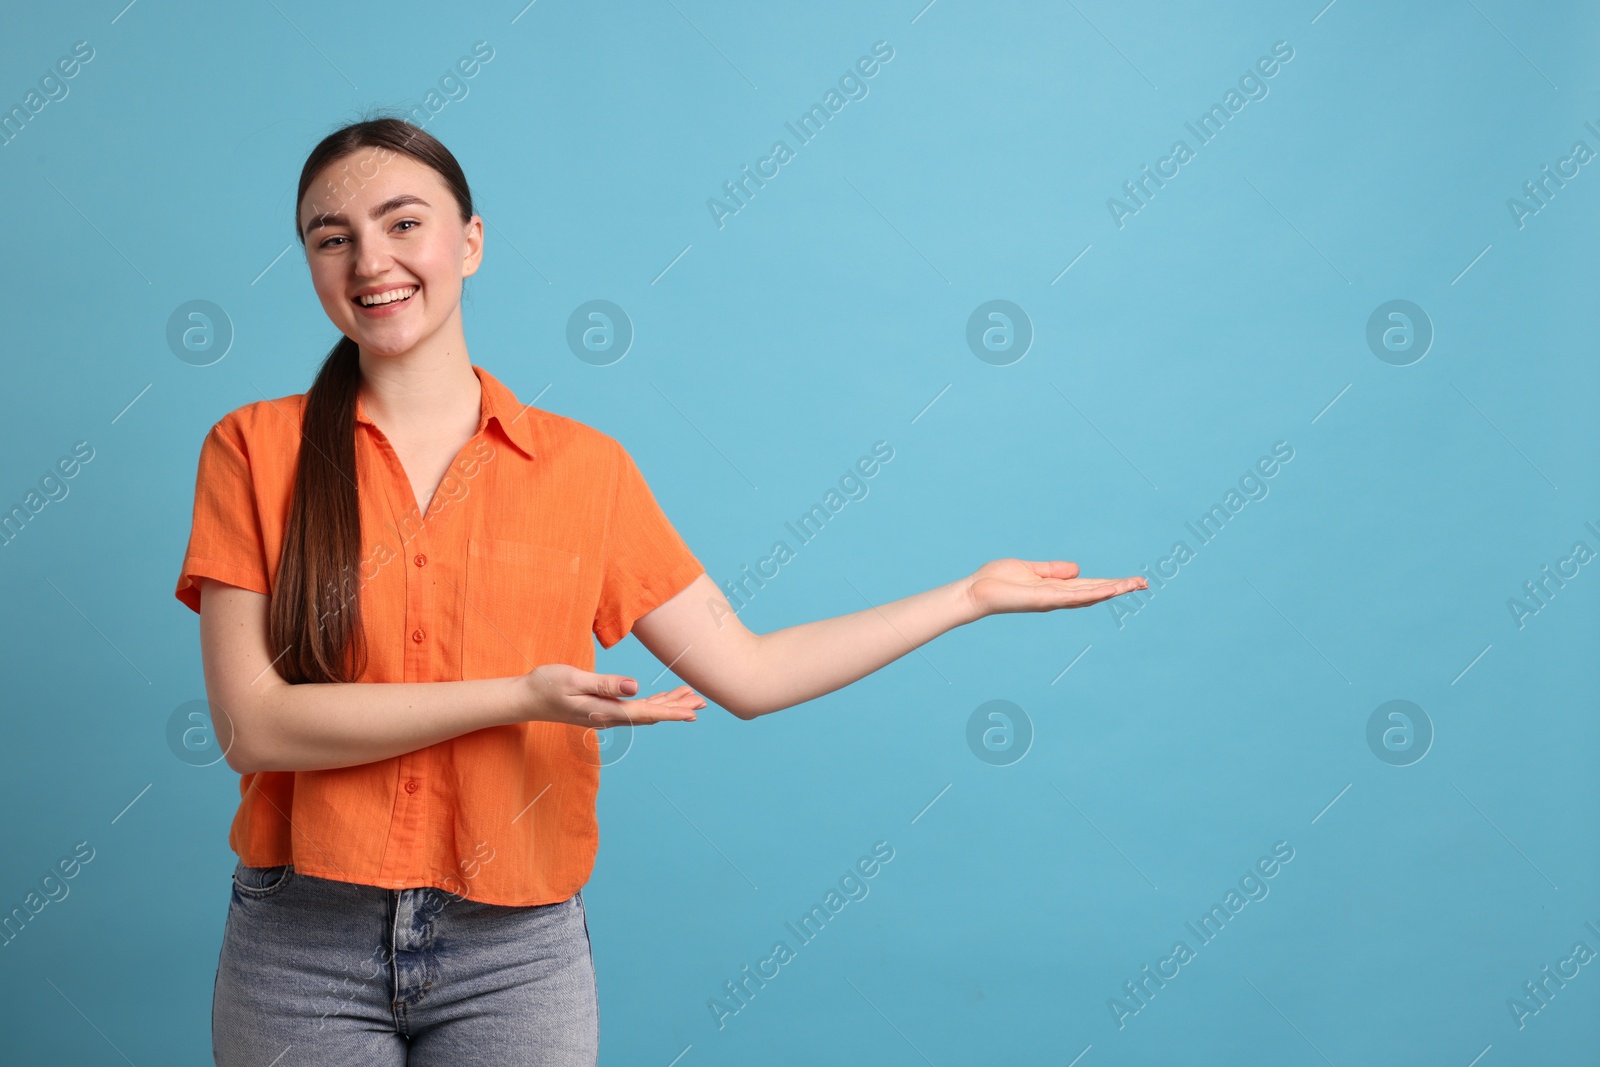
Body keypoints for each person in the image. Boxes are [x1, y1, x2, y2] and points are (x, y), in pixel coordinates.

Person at [174, 112, 1148, 1066]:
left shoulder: (584, 471)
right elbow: (253, 727)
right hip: (302, 942)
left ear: (469, 242)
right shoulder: (254, 449)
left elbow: (752, 671)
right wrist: (519, 698)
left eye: (402, 222)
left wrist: (966, 596)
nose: (370, 261)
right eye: (329, 238)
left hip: (513, 955)